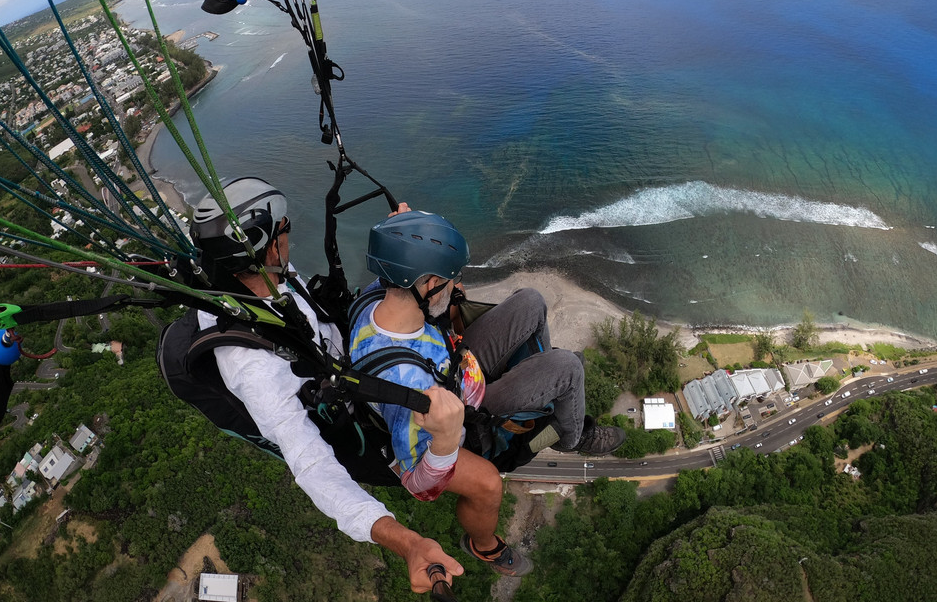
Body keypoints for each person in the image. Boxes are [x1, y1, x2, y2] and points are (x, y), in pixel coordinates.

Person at [188, 178, 463, 594]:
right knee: (483, 476)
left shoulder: (256, 279)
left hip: (344, 356)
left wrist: (406, 251)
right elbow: (312, 466)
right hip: (355, 421)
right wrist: (407, 543)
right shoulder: (252, 369)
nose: (290, 234)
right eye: (285, 229)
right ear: (269, 249)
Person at [348, 210, 625, 576]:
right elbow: (419, 484)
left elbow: (406, 267)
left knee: (530, 301)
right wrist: (446, 439)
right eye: (451, 279)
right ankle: (569, 437)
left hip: (457, 369)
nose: (456, 285)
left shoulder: (376, 298)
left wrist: (406, 233)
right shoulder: (408, 387)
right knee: (568, 367)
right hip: (467, 415)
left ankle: (547, 392)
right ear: (429, 284)